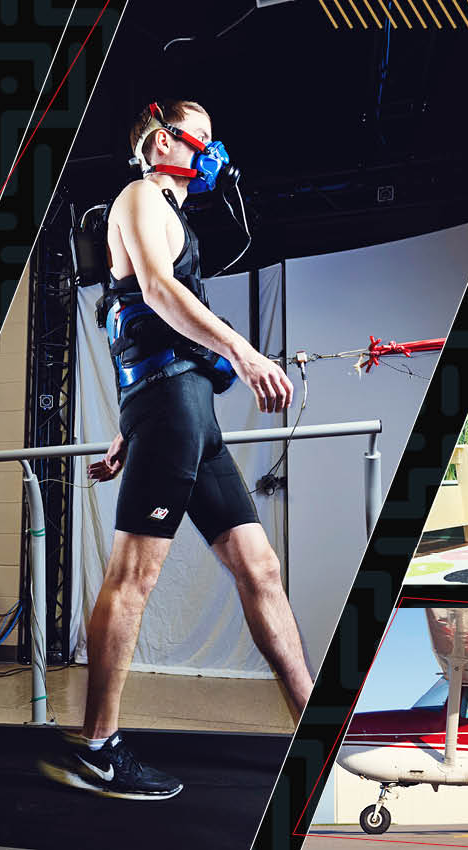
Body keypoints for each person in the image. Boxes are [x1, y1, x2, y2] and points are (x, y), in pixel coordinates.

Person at [40, 101, 312, 801]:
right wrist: (244, 351)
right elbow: (154, 292)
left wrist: (131, 429)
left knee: (261, 566)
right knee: (134, 577)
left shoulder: (170, 211)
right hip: (173, 405)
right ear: (165, 141)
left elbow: (136, 321)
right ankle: (97, 748)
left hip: (184, 410)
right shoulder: (138, 195)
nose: (216, 148)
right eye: (205, 135)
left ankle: (316, 727)